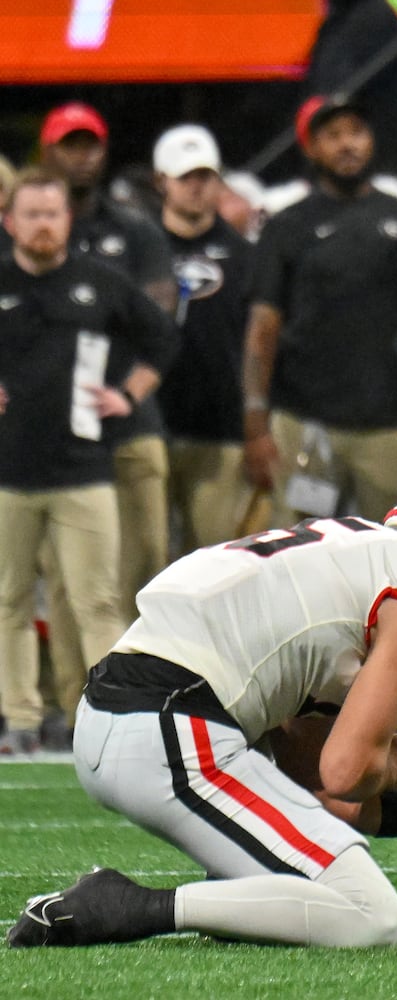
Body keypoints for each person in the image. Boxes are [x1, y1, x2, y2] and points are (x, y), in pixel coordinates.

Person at [6, 462, 397, 948]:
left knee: (301, 886)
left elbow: (313, 783)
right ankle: (126, 907)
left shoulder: (355, 551)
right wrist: (385, 764)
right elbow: (346, 773)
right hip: (169, 723)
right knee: (374, 918)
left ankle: (210, 897)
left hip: (131, 715)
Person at [0, 168, 178, 755]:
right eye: (32, 214)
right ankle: (21, 719)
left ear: (67, 220)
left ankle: (108, 717)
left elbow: (161, 338)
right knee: (9, 601)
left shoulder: (100, 283)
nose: (43, 224)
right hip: (9, 472)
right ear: (10, 221)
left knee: (97, 600)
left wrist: (128, 395)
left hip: (84, 470)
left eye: (52, 213)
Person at [242, 95, 397, 532]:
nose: (346, 144)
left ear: (372, 141)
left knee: (392, 551)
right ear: (311, 148)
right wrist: (256, 424)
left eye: (356, 132)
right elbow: (263, 329)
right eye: (332, 136)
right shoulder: (286, 226)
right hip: (304, 421)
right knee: (296, 552)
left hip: (390, 423)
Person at [151, 125, 258, 554]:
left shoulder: (244, 255)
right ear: (162, 182)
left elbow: (256, 346)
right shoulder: (140, 249)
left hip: (219, 430)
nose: (196, 188)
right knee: (142, 563)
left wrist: (255, 426)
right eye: (185, 178)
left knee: (212, 563)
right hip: (149, 428)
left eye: (205, 177)